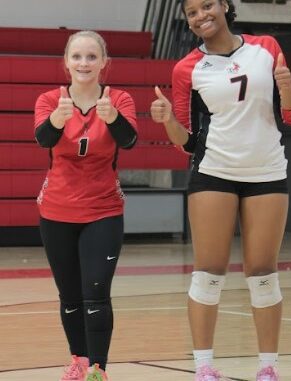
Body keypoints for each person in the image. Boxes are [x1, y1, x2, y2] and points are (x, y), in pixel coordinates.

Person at [151, 0, 291, 379]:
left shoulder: (265, 47)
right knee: (208, 272)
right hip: (214, 171)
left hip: (267, 171)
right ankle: (204, 367)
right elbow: (184, 141)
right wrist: (168, 119)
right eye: (191, 12)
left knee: (263, 272)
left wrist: (287, 89)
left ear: (225, 6)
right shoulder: (186, 68)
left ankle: (268, 367)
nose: (201, 15)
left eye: (207, 5)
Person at [34, 30, 138, 381]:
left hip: (103, 211)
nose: (84, 63)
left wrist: (112, 118)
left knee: (96, 294)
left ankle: (98, 369)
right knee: (69, 296)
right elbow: (42, 139)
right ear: (66, 63)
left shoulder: (119, 99)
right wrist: (56, 120)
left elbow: (130, 139)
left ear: (104, 63)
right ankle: (78, 360)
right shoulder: (50, 100)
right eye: (77, 56)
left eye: (91, 57)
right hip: (56, 211)